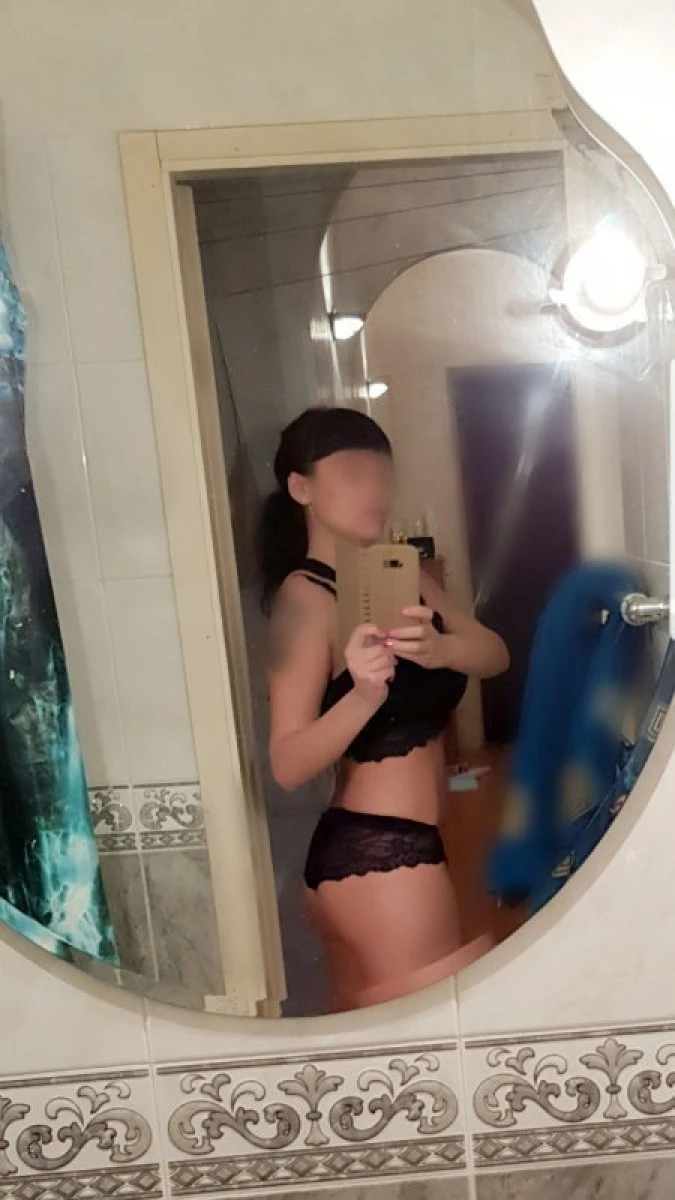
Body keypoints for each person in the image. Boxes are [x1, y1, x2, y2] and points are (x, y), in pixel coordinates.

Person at [259, 406, 509, 1011]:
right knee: (438, 1043)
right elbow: (288, 765)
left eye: (381, 473)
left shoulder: (402, 574)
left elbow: (495, 655)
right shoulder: (304, 599)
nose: (373, 490)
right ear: (301, 488)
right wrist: (366, 694)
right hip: (381, 858)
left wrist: (441, 648)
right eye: (351, 474)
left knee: (377, 1051)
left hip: (389, 856)